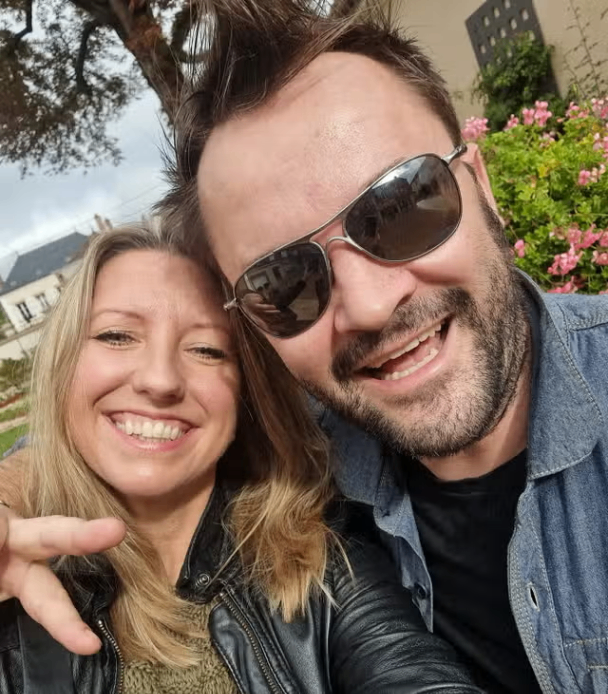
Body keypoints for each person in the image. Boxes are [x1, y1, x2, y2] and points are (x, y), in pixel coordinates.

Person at [2, 1, 607, 692]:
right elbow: (104, 426)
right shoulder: (303, 445)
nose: (369, 305)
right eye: (285, 280)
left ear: (483, 185)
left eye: (400, 208)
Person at [0, 222, 482, 693]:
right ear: (62, 365)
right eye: (117, 336)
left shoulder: (324, 571)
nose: (160, 380)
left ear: (246, 396)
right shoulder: (11, 576)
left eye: (207, 350)